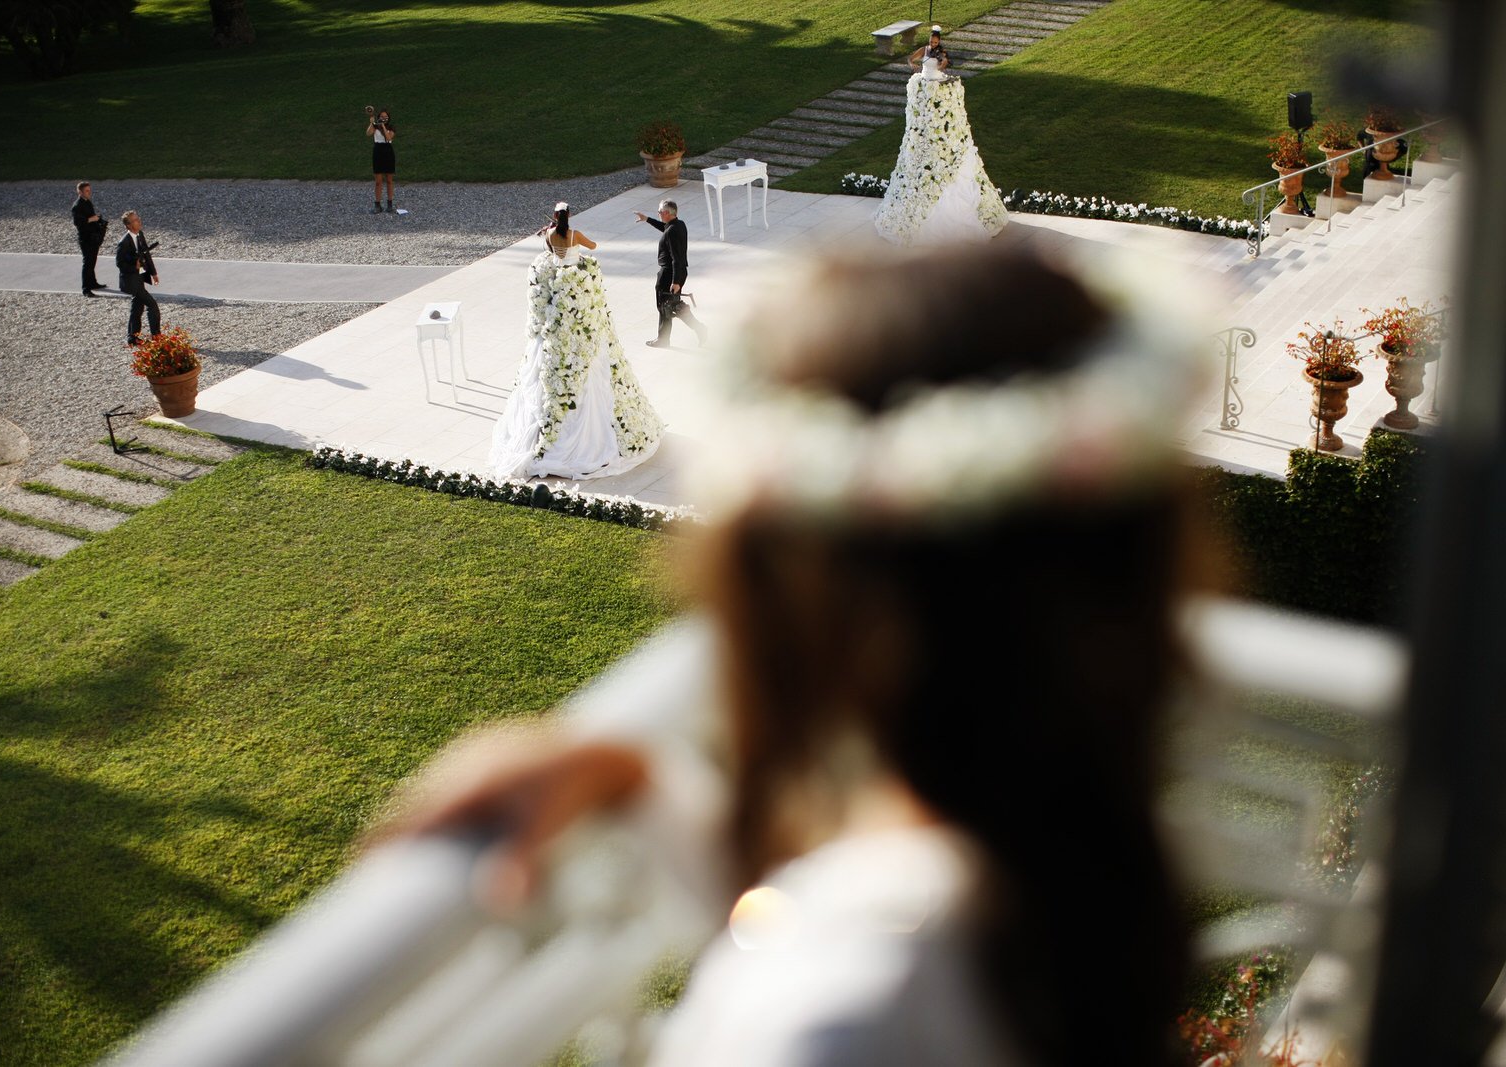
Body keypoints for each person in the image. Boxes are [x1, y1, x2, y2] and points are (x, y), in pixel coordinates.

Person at [384, 242, 1212, 1066]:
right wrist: (637, 786)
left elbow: (844, 959)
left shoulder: (826, 1018)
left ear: (810, 613)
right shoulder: (1063, 858)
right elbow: (829, 911)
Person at [488, 202, 663, 480]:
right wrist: (578, 242)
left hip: (557, 292)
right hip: (574, 290)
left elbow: (550, 248)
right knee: (589, 353)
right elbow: (592, 246)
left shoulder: (548, 235)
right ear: (569, 216)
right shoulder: (574, 235)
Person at [874, 41, 1007, 246]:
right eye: (932, 37)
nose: (934, 41)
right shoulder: (925, 51)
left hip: (937, 83)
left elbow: (945, 63)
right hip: (925, 82)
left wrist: (942, 63)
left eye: (936, 37)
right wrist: (914, 66)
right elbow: (911, 58)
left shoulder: (940, 53)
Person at [634, 201, 707, 349]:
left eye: (659, 212)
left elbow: (676, 258)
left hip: (669, 273)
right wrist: (647, 219)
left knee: (664, 306)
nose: (658, 214)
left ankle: (664, 339)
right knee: (672, 306)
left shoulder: (672, 230)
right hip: (677, 272)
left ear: (667, 213)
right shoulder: (678, 225)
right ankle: (697, 329)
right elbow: (665, 229)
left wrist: (675, 281)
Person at [115, 210, 160, 345]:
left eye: (138, 218)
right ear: (128, 225)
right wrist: (134, 266)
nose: (139, 221)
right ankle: (156, 337)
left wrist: (153, 273)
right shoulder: (124, 242)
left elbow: (146, 254)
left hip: (139, 278)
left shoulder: (140, 235)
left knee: (137, 306)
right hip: (131, 280)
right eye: (135, 220)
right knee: (152, 305)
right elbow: (119, 263)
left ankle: (132, 336)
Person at [71, 181, 109, 297]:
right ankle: (86, 288)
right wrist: (91, 219)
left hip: (92, 237)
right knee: (87, 262)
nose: (89, 192)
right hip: (85, 238)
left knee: (92, 261)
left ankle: (93, 282)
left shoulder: (87, 202)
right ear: (80, 192)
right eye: (87, 191)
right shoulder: (77, 206)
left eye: (89, 190)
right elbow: (78, 223)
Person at [367, 108, 397, 214]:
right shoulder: (375, 126)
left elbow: (388, 138)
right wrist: (372, 122)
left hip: (388, 151)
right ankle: (377, 205)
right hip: (378, 151)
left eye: (385, 117)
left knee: (389, 180)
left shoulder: (391, 127)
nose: (383, 118)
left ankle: (390, 204)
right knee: (378, 181)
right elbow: (368, 133)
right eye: (381, 116)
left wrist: (383, 126)